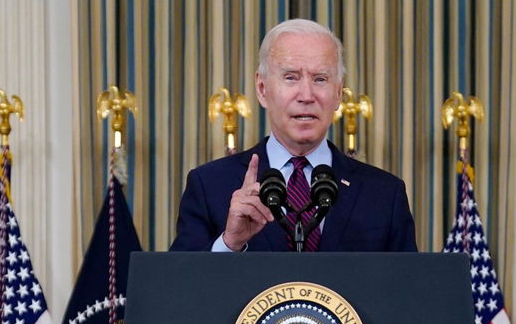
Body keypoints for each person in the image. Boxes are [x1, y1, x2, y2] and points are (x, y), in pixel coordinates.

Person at [170, 19, 417, 252]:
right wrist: (230, 242)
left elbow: (407, 291)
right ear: (262, 88)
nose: (306, 95)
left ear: (339, 92)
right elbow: (178, 287)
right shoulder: (209, 184)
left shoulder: (385, 194)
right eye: (291, 78)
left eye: (320, 79)